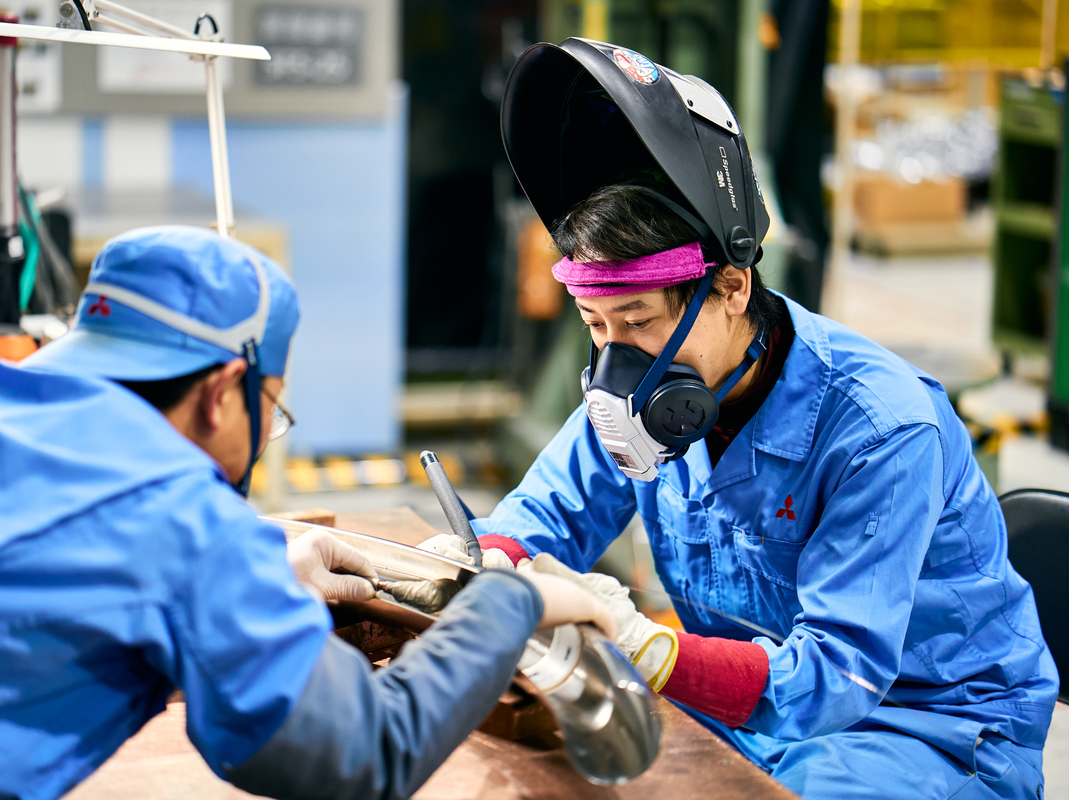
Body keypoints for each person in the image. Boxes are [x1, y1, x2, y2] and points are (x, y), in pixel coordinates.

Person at [425, 40, 1058, 799]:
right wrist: (479, 564)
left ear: (731, 286)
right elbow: (544, 515)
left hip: (923, 728)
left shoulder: (882, 431)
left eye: (638, 321)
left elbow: (837, 676)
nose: (617, 357)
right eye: (596, 326)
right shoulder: (640, 397)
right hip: (752, 713)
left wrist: (643, 644)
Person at [0, 225, 614, 800]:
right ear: (223, 391)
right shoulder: (176, 517)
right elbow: (362, 755)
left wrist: (250, 563)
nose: (264, 434)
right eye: (272, 409)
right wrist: (506, 605)